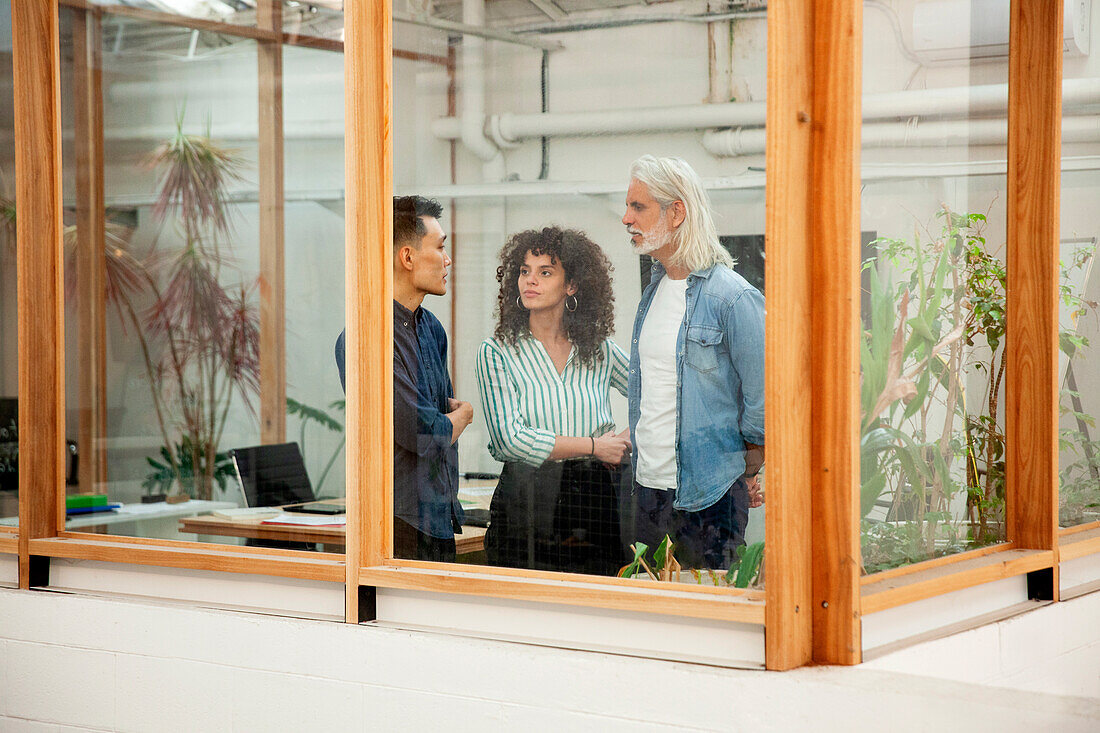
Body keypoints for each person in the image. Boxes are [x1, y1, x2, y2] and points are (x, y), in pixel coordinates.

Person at [622, 155, 765, 570]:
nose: (626, 217)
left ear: (677, 211)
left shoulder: (733, 297)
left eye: (638, 207)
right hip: (648, 494)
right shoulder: (653, 291)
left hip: (708, 499)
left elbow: (762, 400)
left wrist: (746, 470)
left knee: (706, 623)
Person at [476, 227, 631, 576]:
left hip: (594, 498)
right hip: (527, 499)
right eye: (524, 271)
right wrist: (595, 445)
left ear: (571, 285)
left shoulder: (599, 349)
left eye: (545, 272)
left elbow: (656, 392)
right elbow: (510, 440)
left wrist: (628, 436)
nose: (530, 281)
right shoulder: (497, 351)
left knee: (597, 610)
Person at [336, 196, 474, 562]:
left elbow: (436, 420)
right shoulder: (366, 337)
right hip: (396, 524)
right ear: (408, 257)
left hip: (439, 516)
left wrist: (446, 421)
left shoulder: (432, 329)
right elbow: (426, 432)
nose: (448, 260)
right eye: (440, 247)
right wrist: (464, 415)